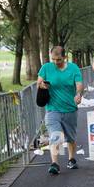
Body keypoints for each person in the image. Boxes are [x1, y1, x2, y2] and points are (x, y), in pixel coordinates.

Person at [36, 45, 84, 175]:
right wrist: (42, 84)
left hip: (70, 108)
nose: (56, 62)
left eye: (59, 59)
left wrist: (78, 94)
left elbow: (79, 84)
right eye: (53, 59)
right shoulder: (46, 67)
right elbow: (38, 82)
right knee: (55, 135)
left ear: (65, 57)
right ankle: (55, 164)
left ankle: (71, 159)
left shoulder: (73, 68)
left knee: (70, 138)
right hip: (53, 109)